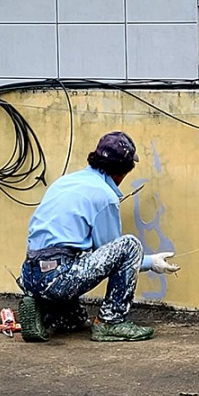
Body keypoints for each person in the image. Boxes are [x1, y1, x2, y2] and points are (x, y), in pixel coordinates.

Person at [17, 131, 180, 343]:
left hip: (31, 275)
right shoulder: (104, 195)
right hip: (59, 277)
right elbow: (110, 252)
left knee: (76, 321)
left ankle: (45, 310)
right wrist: (151, 262)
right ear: (123, 172)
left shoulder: (66, 181)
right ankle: (111, 322)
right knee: (130, 245)